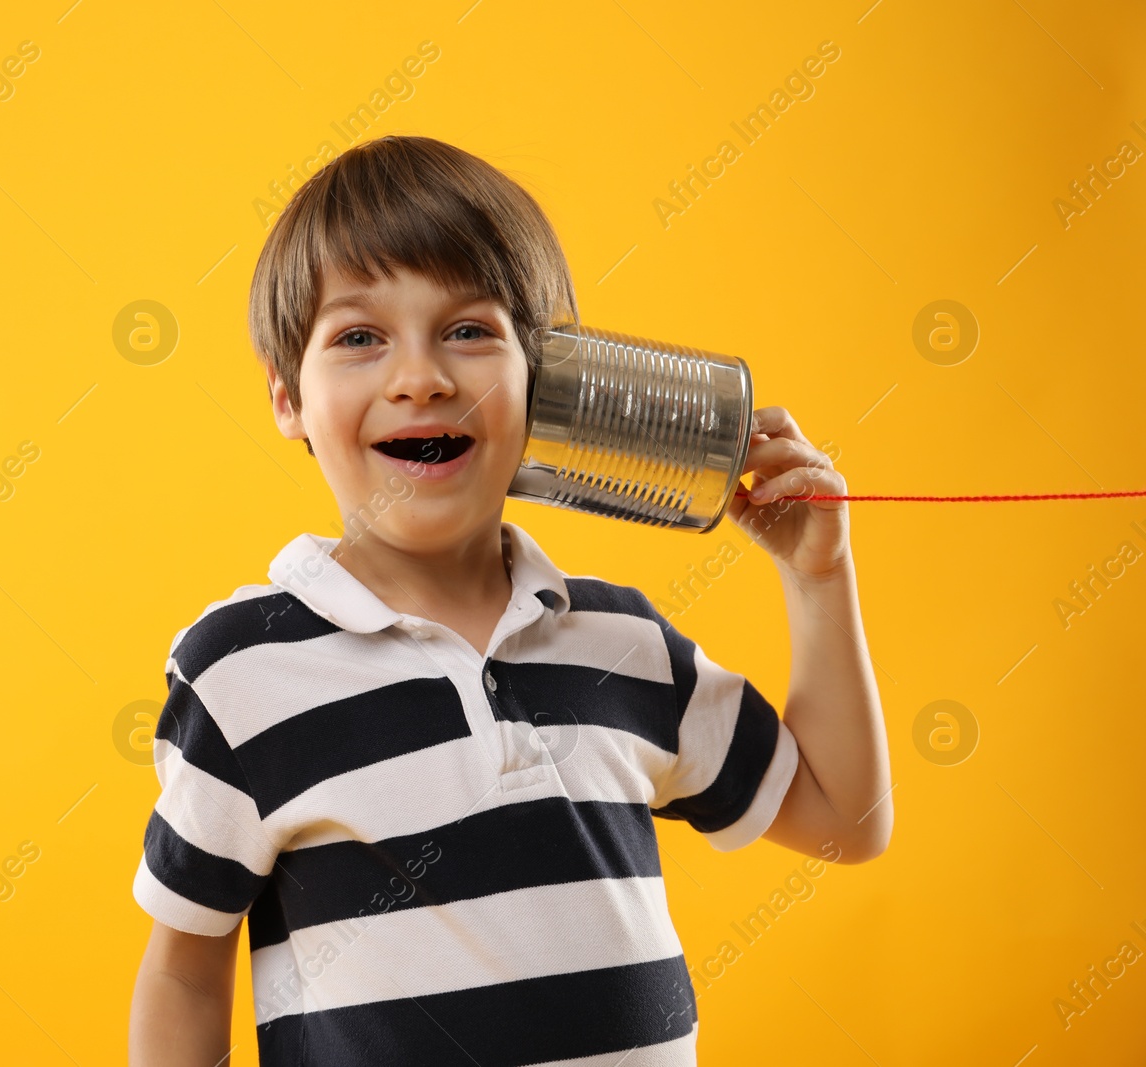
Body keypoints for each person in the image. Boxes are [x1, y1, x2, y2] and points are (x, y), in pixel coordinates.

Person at [127, 134, 891, 1066]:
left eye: (470, 331)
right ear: (288, 398)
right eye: (360, 337)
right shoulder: (241, 673)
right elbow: (181, 971)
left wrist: (816, 578)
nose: (423, 378)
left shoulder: (624, 641)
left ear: (546, 383)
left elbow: (844, 822)